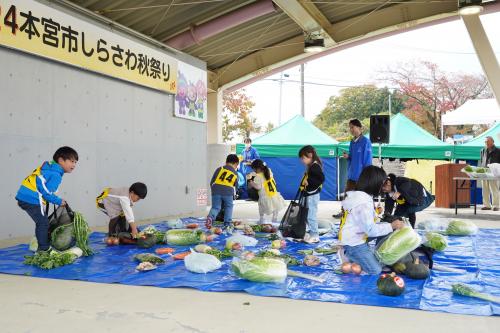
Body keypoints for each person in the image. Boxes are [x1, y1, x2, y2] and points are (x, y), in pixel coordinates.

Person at [339, 166, 404, 275]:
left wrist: (376, 212)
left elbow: (360, 219)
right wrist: (391, 226)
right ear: (375, 182)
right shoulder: (363, 203)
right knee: (375, 270)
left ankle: (372, 254)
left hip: (354, 234)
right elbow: (370, 229)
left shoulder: (359, 195)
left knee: (386, 227)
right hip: (353, 242)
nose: (383, 187)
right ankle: (350, 255)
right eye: (382, 183)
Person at [15, 146, 78, 252]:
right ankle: (44, 249)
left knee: (42, 221)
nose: (74, 165)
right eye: (72, 161)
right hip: (31, 198)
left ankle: (42, 243)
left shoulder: (49, 168)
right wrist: (59, 201)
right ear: (61, 160)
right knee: (43, 223)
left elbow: (41, 187)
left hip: (25, 196)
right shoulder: (56, 175)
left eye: (76, 162)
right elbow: (46, 193)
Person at [334, 119, 372, 218]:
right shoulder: (352, 142)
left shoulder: (365, 142)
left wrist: (366, 176)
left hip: (361, 177)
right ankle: (344, 212)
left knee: (361, 197)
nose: (351, 129)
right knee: (347, 196)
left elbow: (367, 160)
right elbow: (352, 157)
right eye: (350, 127)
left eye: (352, 127)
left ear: (359, 127)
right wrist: (348, 156)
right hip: (351, 175)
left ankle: (362, 214)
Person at [298, 145, 325, 244]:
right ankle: (311, 231)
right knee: (308, 214)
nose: (302, 160)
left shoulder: (315, 166)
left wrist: (309, 182)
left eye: (303, 158)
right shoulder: (312, 166)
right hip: (310, 194)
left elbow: (321, 179)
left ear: (310, 155)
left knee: (311, 215)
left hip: (312, 195)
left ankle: (315, 235)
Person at [206, 154, 240, 229]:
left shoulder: (219, 169)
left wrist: (214, 191)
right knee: (229, 207)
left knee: (216, 207)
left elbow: (212, 182)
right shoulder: (235, 173)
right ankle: (227, 223)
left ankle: (210, 218)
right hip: (228, 191)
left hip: (216, 190)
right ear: (236, 164)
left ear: (226, 161)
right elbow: (236, 186)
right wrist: (235, 194)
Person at [247, 159, 286, 223]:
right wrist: (253, 174)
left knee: (261, 208)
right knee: (275, 206)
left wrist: (251, 182)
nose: (254, 171)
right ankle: (274, 218)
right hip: (273, 194)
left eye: (254, 169)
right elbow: (263, 177)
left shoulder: (258, 176)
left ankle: (262, 219)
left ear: (258, 168)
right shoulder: (268, 171)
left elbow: (258, 187)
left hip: (264, 195)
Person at [480, 136, 500, 211]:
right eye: (485, 142)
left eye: (488, 141)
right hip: (484, 172)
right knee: (485, 189)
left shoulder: (498, 150)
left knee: (494, 189)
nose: (486, 143)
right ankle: (486, 205)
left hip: (494, 172)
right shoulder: (483, 150)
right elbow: (482, 160)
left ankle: (496, 205)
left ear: (492, 142)